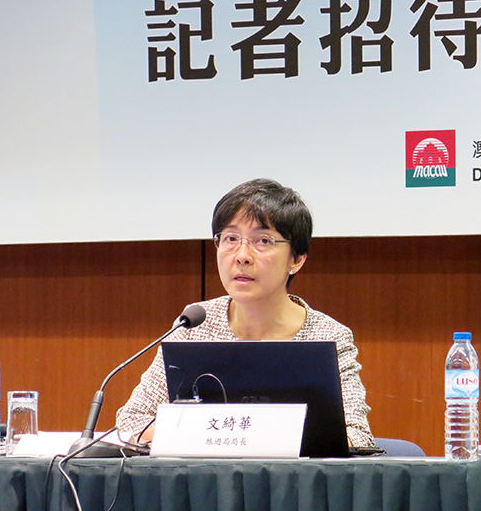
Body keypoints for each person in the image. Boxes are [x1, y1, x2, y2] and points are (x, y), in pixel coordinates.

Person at [116, 179, 375, 448]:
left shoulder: (328, 336)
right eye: (231, 238)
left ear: (296, 260)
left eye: (263, 241)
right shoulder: (196, 324)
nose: (242, 256)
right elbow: (131, 421)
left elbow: (357, 438)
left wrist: (234, 438)